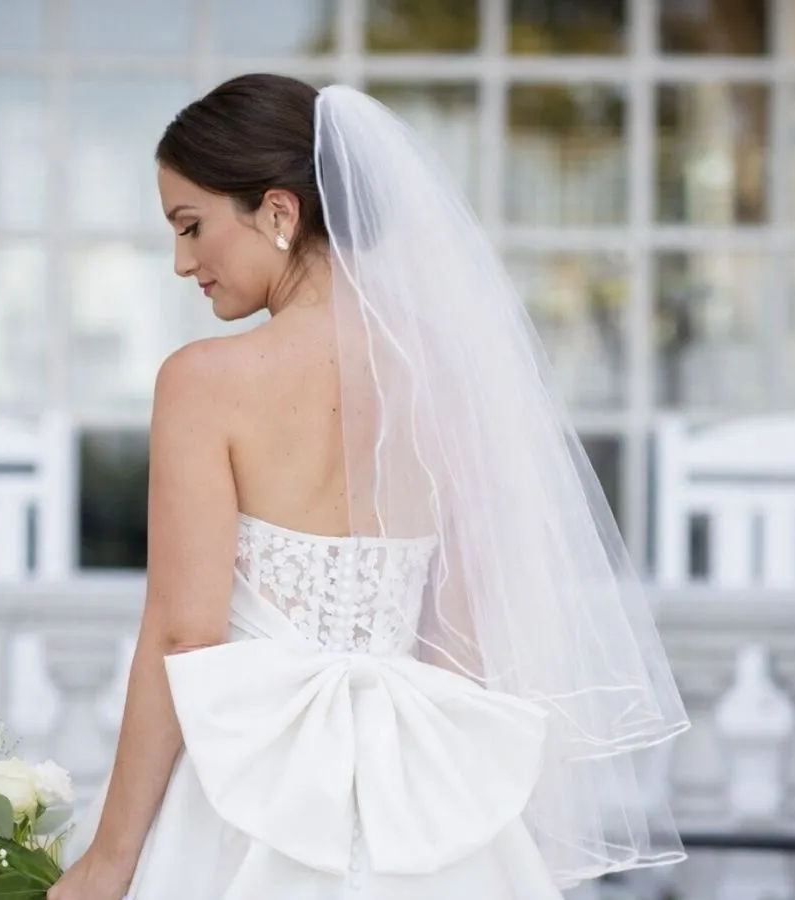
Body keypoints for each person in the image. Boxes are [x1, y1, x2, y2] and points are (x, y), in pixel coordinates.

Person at [49, 73, 690, 900]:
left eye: (191, 226)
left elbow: (183, 634)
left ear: (279, 212)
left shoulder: (203, 382)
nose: (182, 263)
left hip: (244, 806)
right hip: (417, 795)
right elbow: (462, 628)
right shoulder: (448, 372)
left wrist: (108, 861)